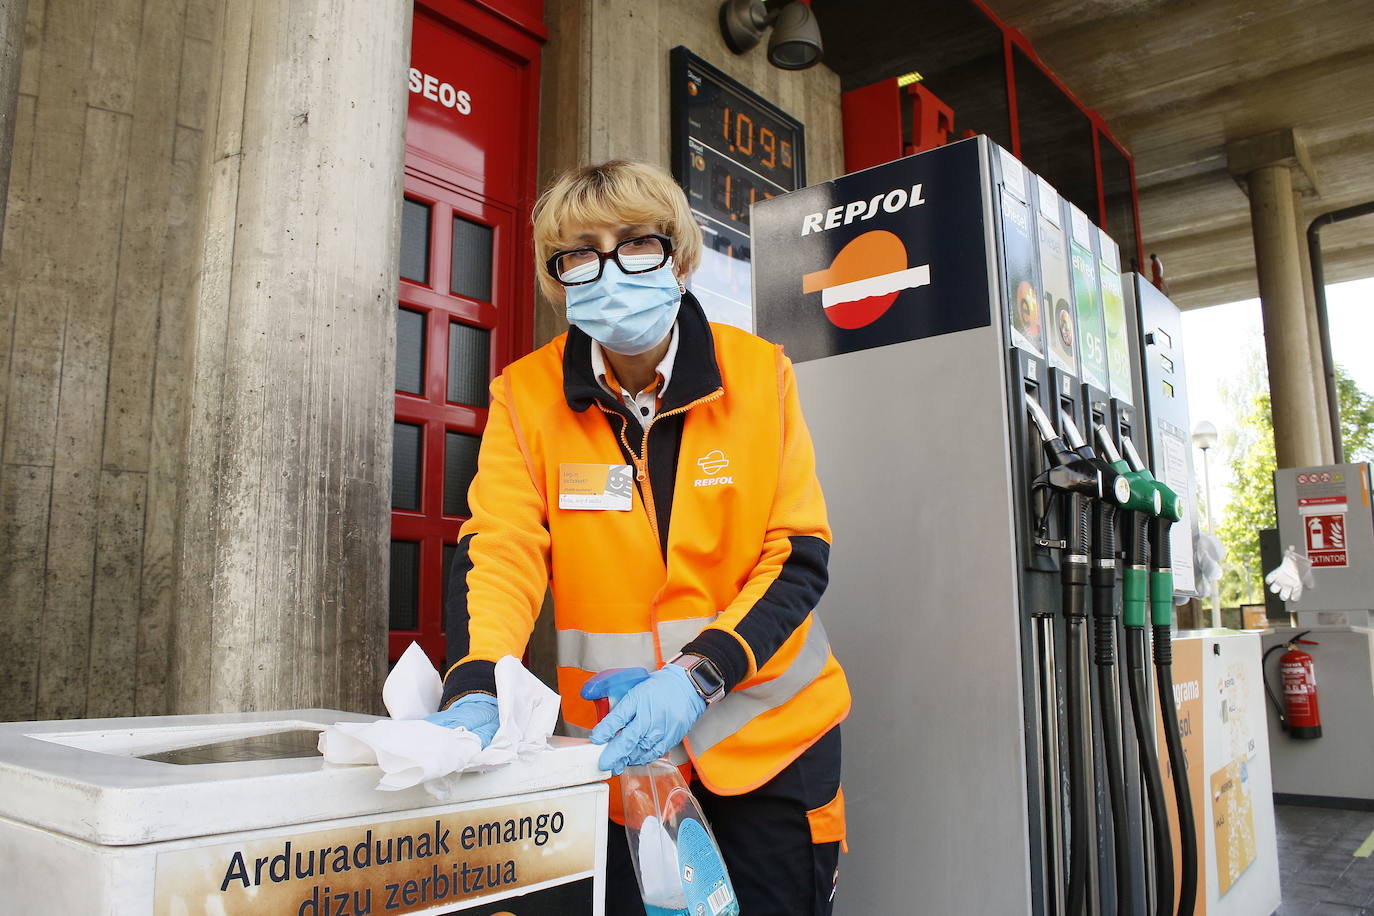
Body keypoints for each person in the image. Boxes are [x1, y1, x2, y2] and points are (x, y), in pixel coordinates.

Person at [426, 160, 851, 915]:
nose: (610, 265)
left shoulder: (759, 376)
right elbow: (501, 551)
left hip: (770, 745)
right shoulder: (526, 398)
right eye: (581, 251)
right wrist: (477, 683)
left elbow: (797, 557)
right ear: (561, 282)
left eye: (637, 243)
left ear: (680, 258)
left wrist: (697, 675)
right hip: (622, 753)